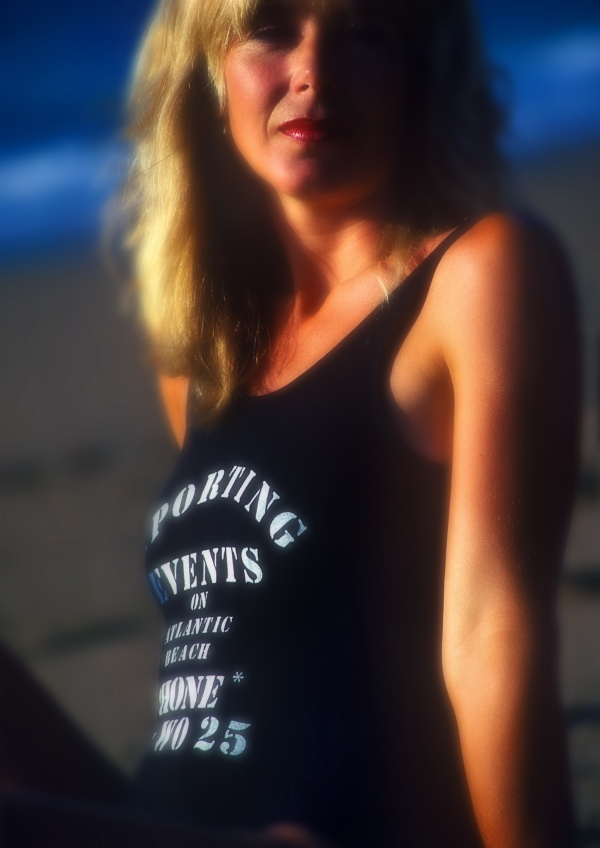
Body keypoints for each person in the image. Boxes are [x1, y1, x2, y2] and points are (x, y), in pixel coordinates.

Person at [0, 0, 580, 846]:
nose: (314, 69)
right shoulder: (204, 354)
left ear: (421, 81)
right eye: (270, 27)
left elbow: (493, 627)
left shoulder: (482, 273)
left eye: (367, 35)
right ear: (207, 74)